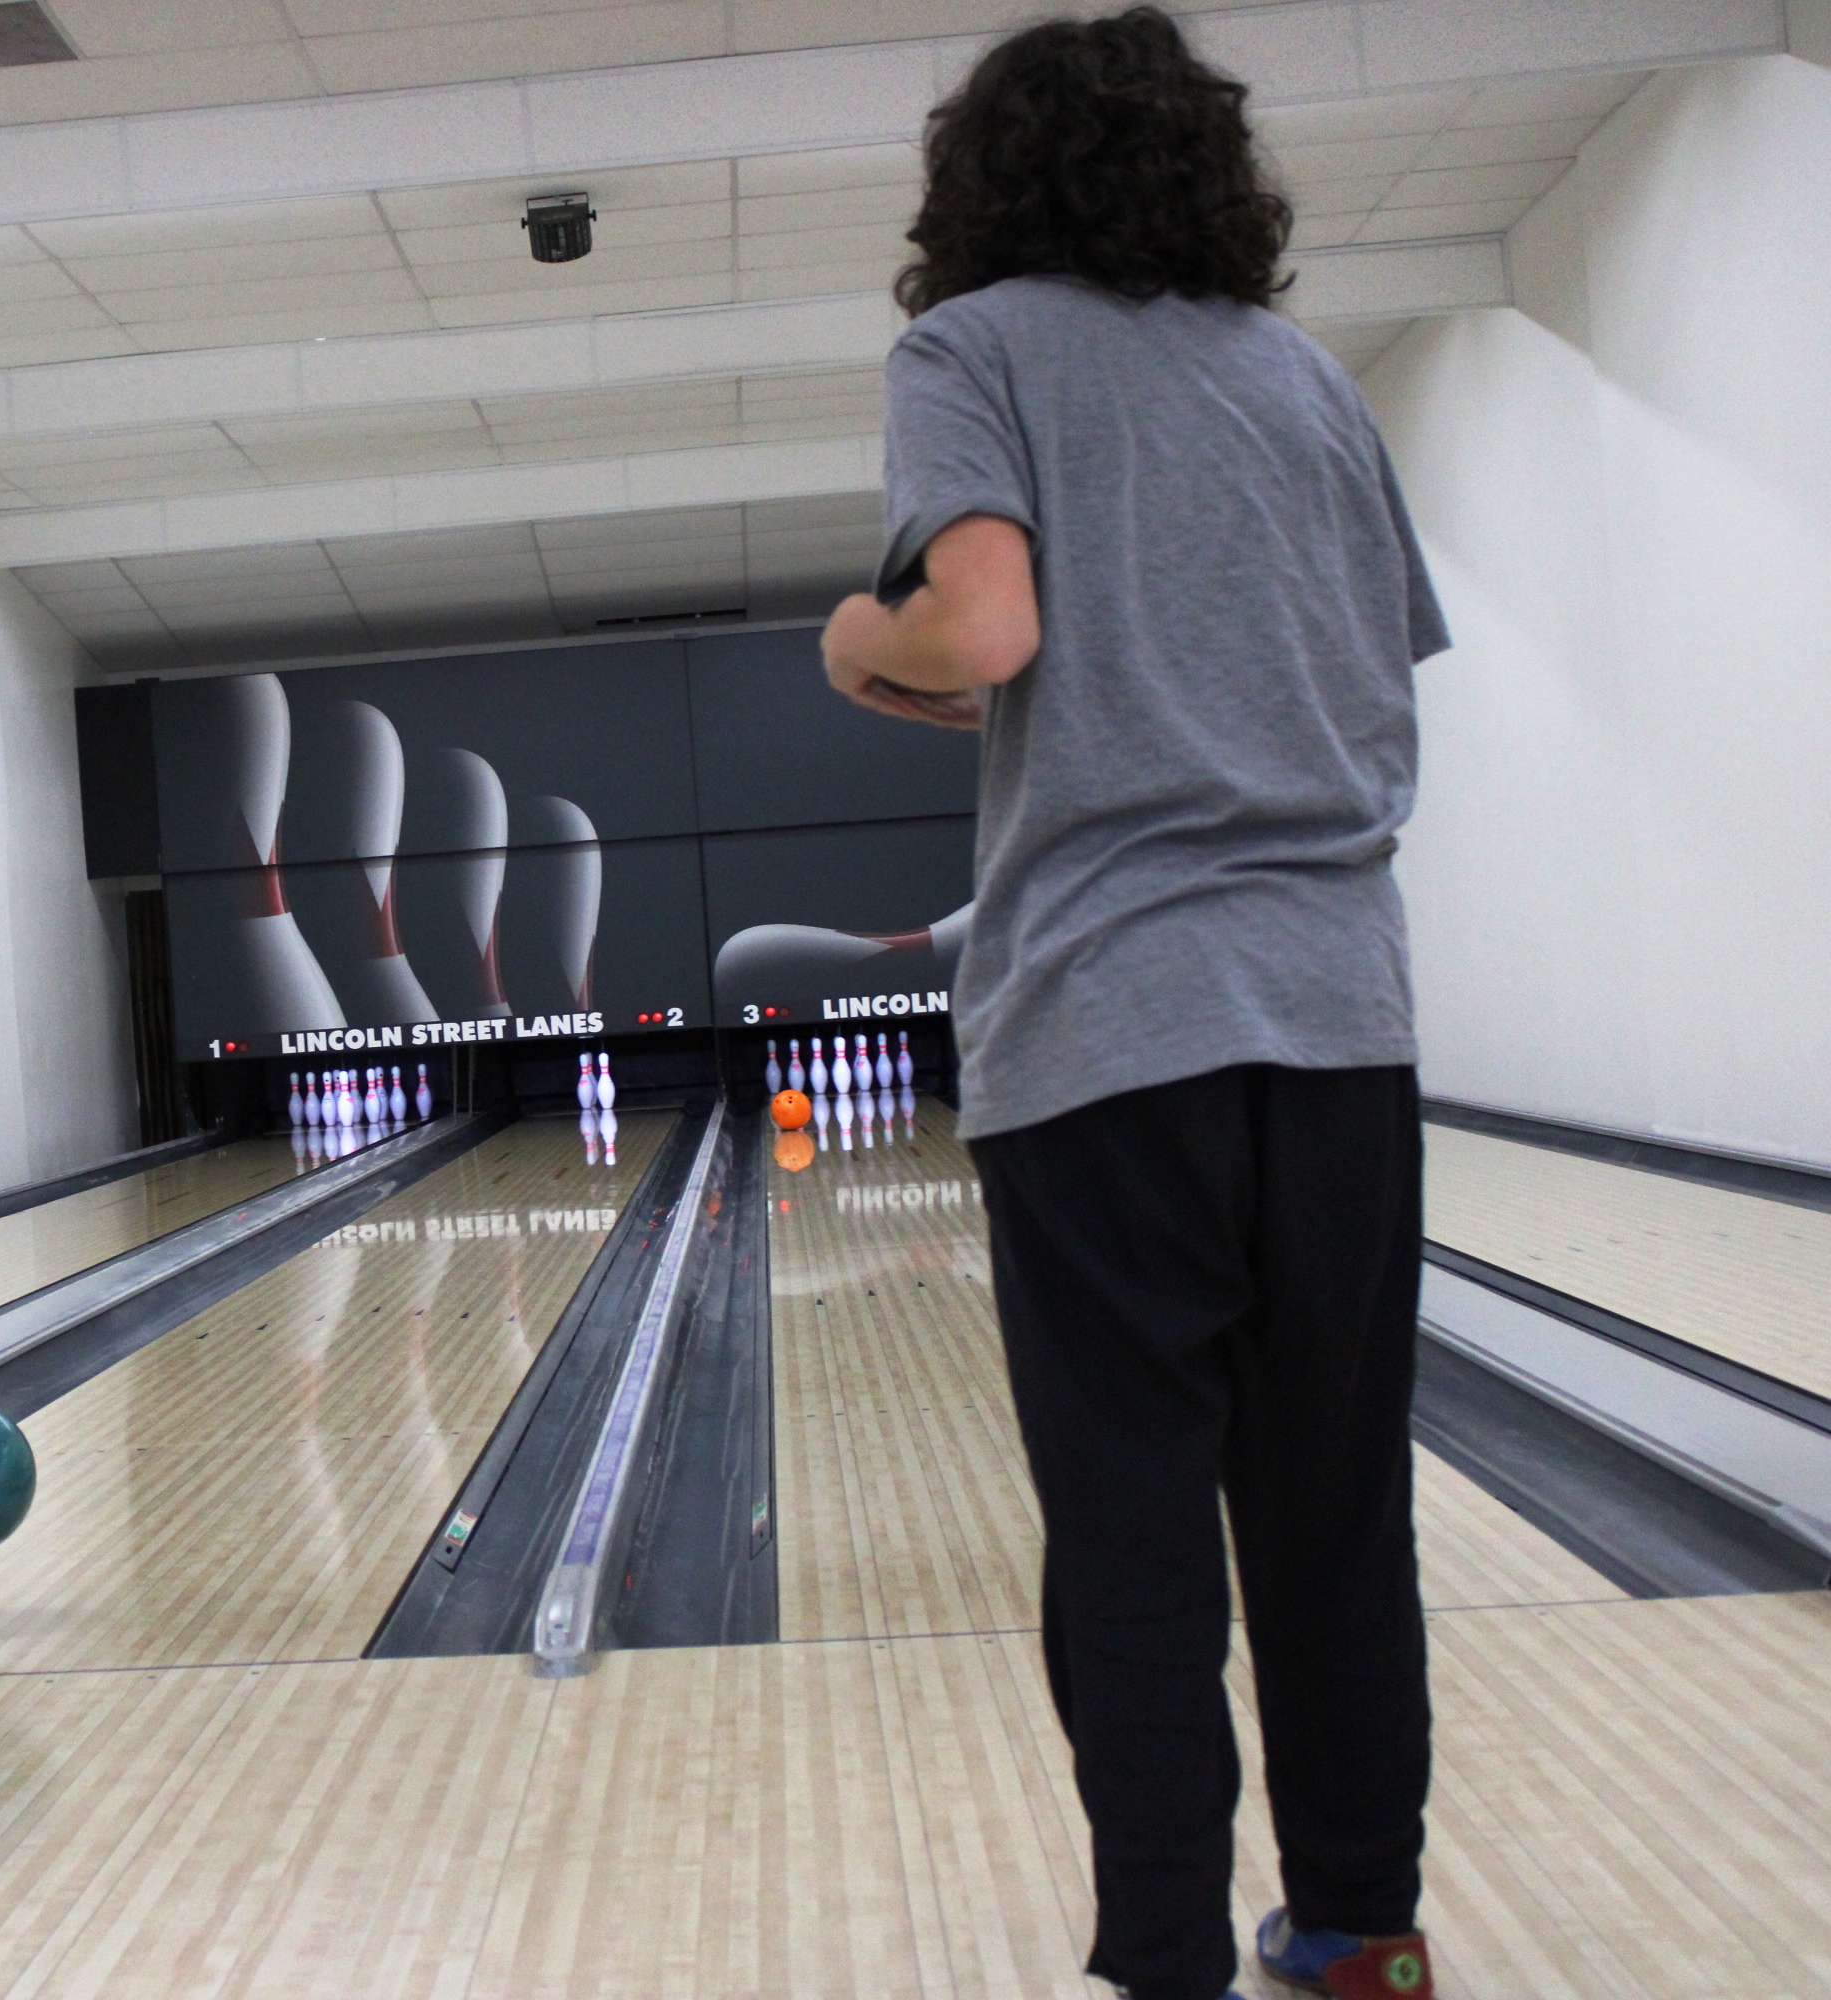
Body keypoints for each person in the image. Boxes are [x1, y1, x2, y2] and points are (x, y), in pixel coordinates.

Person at [818, 13, 1447, 2000]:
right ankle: (1361, 1930)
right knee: (1336, 1515)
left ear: (983, 185)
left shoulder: (975, 348)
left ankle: (1166, 1958)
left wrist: (862, 643)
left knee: (1138, 1536)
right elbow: (1346, 663)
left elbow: (988, 626)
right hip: (1341, 1019)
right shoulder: (1311, 380)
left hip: (1107, 1033)